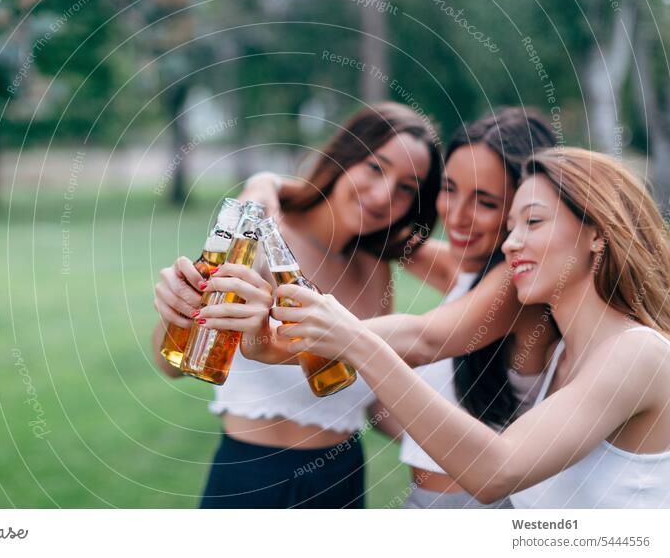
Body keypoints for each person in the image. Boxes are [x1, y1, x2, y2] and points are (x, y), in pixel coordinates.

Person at [271, 147, 670, 508]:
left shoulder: (637, 354)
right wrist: (267, 331)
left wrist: (359, 343)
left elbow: (496, 472)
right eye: (511, 227)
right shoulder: (561, 356)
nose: (511, 243)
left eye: (533, 221)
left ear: (597, 233)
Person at [241, 108, 559, 508]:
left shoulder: (514, 283)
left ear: (521, 207)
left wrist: (283, 340)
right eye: (450, 188)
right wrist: (264, 184)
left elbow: (423, 339)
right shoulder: (466, 264)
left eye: (486, 201)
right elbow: (375, 219)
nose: (457, 216)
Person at [151, 102, 442, 508]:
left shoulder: (376, 269)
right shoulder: (260, 242)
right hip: (254, 479)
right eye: (376, 168)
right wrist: (175, 309)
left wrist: (452, 438)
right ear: (344, 159)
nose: (383, 195)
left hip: (344, 481)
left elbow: (369, 389)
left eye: (407, 187)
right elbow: (172, 363)